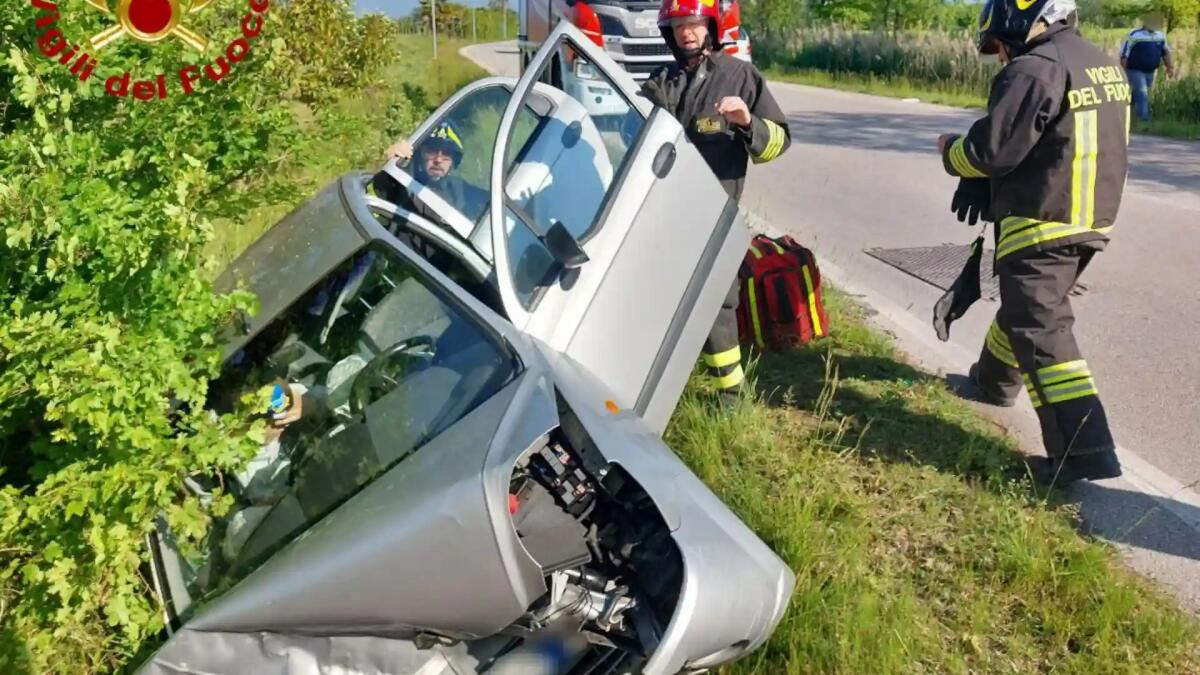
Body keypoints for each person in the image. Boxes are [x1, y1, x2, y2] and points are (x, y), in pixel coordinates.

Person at [938, 0, 1129, 484]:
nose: (1000, 55)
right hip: (1087, 218)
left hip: (1042, 216)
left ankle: (1085, 453)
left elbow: (992, 149)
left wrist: (952, 154)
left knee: (1042, 330)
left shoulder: (1034, 68)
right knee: (1026, 310)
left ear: (1022, 21)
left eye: (999, 44)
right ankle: (991, 382)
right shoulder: (1099, 61)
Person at [640, 0, 792, 400]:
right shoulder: (662, 80)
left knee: (718, 300)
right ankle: (657, 380)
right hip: (664, 209)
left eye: (693, 24)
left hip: (714, 211)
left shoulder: (741, 77)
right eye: (678, 26)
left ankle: (731, 395)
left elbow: (777, 144)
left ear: (711, 26)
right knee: (660, 293)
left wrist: (747, 122)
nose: (686, 32)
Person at [375, 120, 487, 220]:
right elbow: (379, 183)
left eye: (446, 153)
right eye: (432, 151)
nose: (438, 159)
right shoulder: (403, 179)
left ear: (454, 160)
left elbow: (490, 203)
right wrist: (388, 161)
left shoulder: (460, 189)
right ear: (420, 154)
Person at [1121, 11, 1175, 123]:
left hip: (1150, 71)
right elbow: (1124, 54)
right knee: (1142, 93)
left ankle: (1127, 113)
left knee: (1138, 94)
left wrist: (1170, 67)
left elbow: (1165, 53)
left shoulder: (1160, 36)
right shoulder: (1134, 35)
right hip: (1135, 69)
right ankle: (1144, 120)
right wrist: (1123, 72)